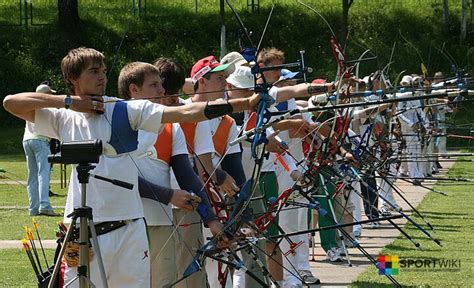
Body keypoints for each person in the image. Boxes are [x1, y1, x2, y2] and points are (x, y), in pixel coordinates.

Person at [3, 47, 261, 288]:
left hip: (128, 229)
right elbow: (11, 102)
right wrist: (69, 102)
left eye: (103, 71)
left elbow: (187, 113)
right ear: (73, 78)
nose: (102, 77)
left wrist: (244, 104)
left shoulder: (123, 109)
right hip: (83, 230)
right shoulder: (62, 117)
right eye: (93, 72)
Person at [117, 60, 226, 288]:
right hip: (122, 221)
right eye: (154, 85)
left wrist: (212, 219)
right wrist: (168, 195)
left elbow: (187, 176)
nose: (162, 90)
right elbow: (119, 177)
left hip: (159, 221)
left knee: (162, 283)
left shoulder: (171, 125)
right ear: (133, 90)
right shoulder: (114, 121)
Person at [22, 83, 60, 217]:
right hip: (40, 141)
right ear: (47, 95)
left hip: (27, 140)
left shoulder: (31, 105)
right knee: (43, 174)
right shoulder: (47, 108)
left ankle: (33, 208)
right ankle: (44, 205)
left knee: (32, 176)